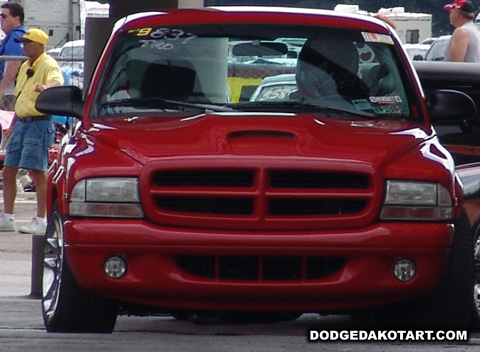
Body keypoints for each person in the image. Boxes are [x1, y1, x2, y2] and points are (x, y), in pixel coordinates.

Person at [0, 28, 64, 234]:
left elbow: (57, 81)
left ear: (39, 45)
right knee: (9, 169)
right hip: (22, 123)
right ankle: (8, 217)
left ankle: (40, 219)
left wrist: (46, 88)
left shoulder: (48, 63)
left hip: (38, 123)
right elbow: (21, 97)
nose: (24, 47)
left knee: (37, 171)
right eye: (23, 43)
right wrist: (14, 122)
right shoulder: (26, 65)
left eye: (28, 43)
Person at [0, 2, 26, 110]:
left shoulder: (16, 36)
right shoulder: (12, 36)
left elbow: (14, 63)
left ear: (16, 19)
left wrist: (1, 89)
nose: (1, 19)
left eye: (4, 16)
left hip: (9, 93)